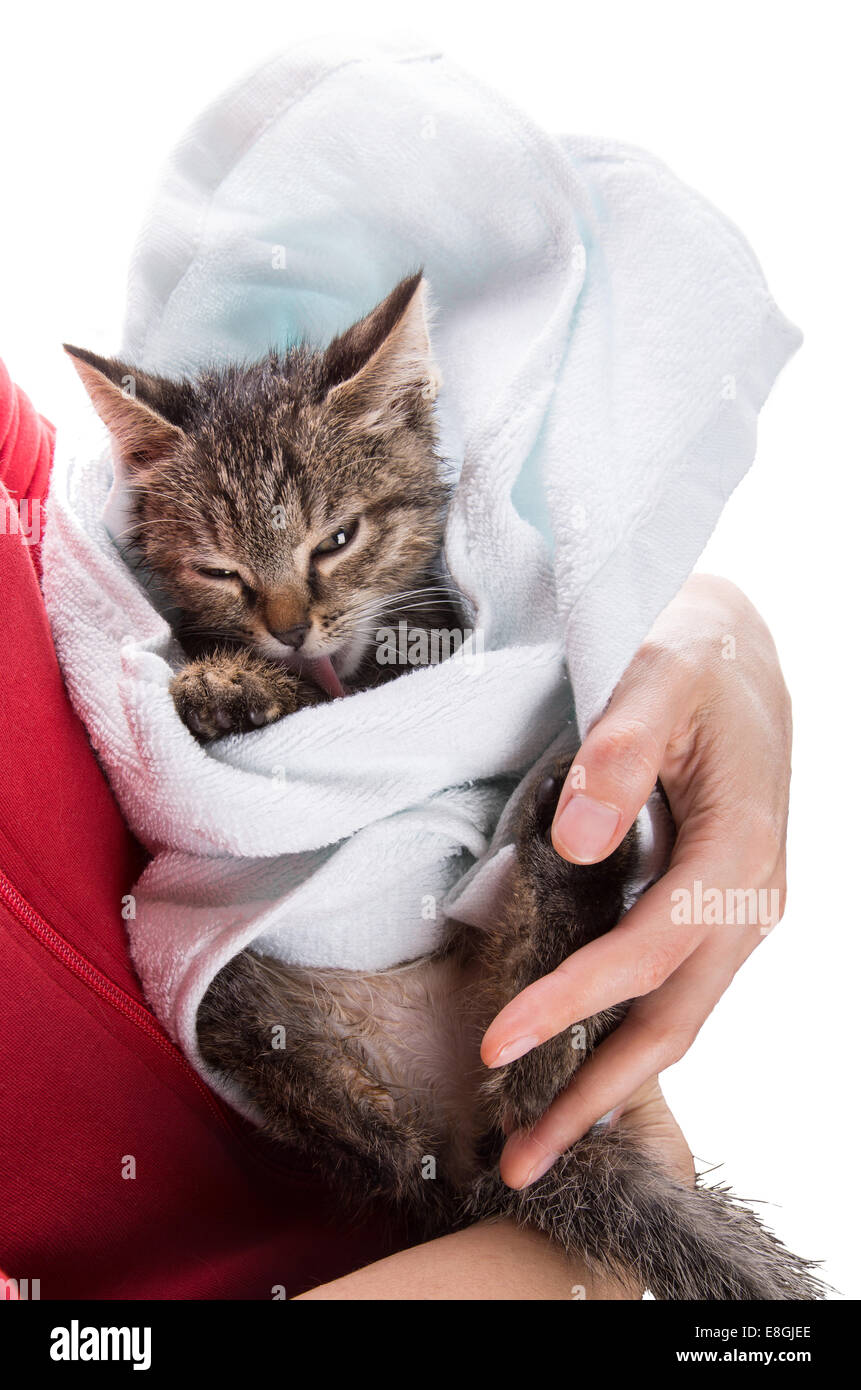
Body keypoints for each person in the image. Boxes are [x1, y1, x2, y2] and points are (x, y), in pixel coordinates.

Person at [0, 359, 790, 1300]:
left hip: (489, 1053)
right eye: (228, 575)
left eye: (324, 546)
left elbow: (82, 557)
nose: (287, 620)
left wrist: (673, 632)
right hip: (376, 1142)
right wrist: (529, 1280)